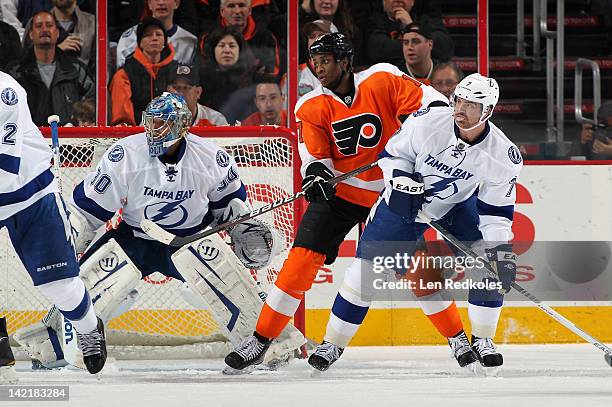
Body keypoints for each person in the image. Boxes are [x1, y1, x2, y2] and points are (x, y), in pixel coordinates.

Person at [14, 92, 304, 371]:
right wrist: (74, 234)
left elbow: (230, 207)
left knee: (229, 284)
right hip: (134, 238)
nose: (153, 129)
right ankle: (52, 344)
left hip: (192, 239)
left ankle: (274, 343)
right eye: (150, 121)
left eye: (161, 123)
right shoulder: (126, 154)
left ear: (181, 127)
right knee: (87, 284)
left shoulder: (211, 158)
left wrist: (241, 228)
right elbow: (89, 208)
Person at [224, 33, 448, 371]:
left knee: (416, 270)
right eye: (315, 62)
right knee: (300, 262)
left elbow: (431, 106)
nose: (318, 68)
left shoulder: (382, 78)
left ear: (344, 61)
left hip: (389, 195)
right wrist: (316, 176)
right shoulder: (310, 104)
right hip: (342, 195)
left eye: (325, 60)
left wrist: (409, 141)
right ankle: (261, 339)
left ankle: (460, 338)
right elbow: (315, 154)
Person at [308, 73, 522, 372]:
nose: (461, 109)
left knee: (488, 263)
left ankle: (483, 339)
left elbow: (496, 213)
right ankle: (332, 343)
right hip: (406, 204)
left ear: (488, 111)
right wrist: (399, 181)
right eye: (458, 100)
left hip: (455, 206)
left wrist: (497, 248)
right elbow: (393, 155)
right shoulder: (427, 123)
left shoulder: (503, 155)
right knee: (364, 272)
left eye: (472, 105)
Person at [0, 71, 106, 383]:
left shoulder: (6, 92)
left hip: (31, 196)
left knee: (60, 286)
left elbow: (6, 167)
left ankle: (90, 328)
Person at [7, 11, 94, 126]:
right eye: (39, 26)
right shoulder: (15, 72)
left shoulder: (76, 69)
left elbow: (93, 101)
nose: (44, 30)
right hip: (28, 140)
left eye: (49, 25)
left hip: (70, 140)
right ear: (31, 34)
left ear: (57, 33)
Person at [110, 17, 177, 125]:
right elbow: (122, 119)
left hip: (172, 132)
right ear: (140, 43)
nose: (154, 38)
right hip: (137, 135)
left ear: (165, 41)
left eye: (158, 34)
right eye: (148, 35)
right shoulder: (124, 74)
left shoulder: (177, 70)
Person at [200, 0, 281, 77]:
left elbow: (271, 77)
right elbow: (205, 74)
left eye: (241, 5)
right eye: (231, 6)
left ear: (249, 10)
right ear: (222, 11)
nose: (237, 11)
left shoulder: (266, 38)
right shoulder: (207, 38)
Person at [365, 0, 453, 65]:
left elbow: (444, 47)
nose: (398, 0)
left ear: (413, 2)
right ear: (383, 2)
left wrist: (411, 25)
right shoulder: (373, 23)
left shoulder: (426, 20)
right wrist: (421, 46)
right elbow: (377, 50)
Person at [199, 27, 257, 124]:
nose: (227, 50)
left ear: (240, 50)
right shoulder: (202, 79)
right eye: (221, 45)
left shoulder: (253, 79)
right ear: (213, 50)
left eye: (232, 46)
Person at [116, 0, 197, 68]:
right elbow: (121, 75)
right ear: (149, 4)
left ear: (177, 3)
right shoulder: (130, 38)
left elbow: (190, 80)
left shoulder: (190, 41)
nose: (161, 2)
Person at [22, 0, 96, 68]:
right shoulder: (35, 22)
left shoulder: (94, 24)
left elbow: (103, 66)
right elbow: (24, 61)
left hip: (81, 80)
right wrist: (58, 50)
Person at [399, 20, 436, 85]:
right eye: (406, 43)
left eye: (415, 42)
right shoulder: (395, 75)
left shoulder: (442, 73)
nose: (410, 47)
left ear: (430, 44)